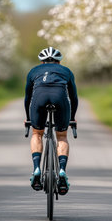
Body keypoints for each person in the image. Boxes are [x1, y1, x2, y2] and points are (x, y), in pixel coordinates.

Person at [24, 47, 78, 195]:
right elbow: (74, 98)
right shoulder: (66, 71)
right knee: (61, 136)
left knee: (37, 133)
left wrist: (28, 119)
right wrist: (72, 117)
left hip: (39, 99)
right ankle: (61, 171)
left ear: (41, 61)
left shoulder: (34, 71)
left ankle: (36, 168)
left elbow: (28, 98)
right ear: (59, 61)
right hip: (60, 98)